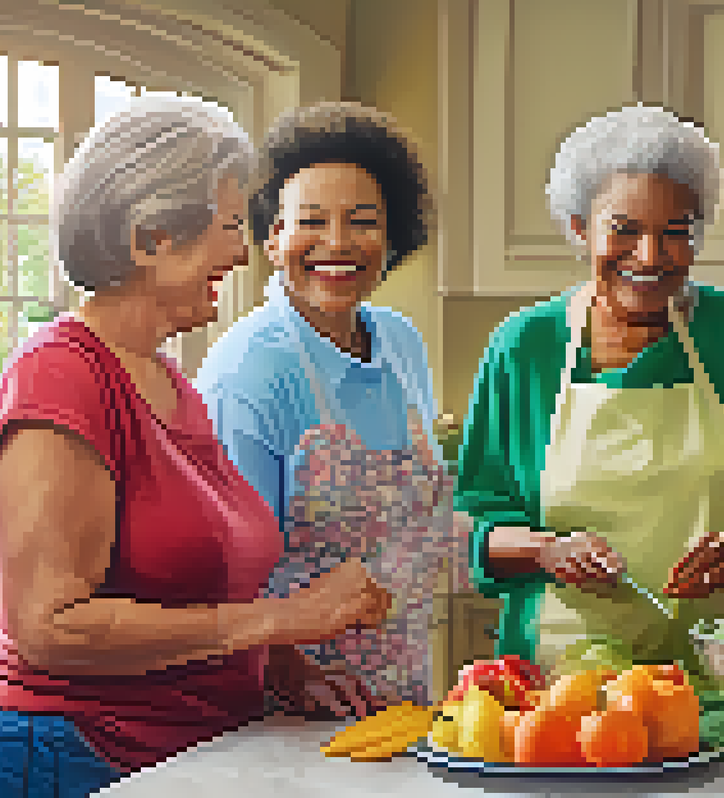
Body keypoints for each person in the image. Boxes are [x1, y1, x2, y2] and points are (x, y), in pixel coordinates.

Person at [0, 97, 390, 798]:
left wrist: (284, 666)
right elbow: (49, 627)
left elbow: (196, 581)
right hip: (76, 757)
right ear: (149, 240)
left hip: (183, 759)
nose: (239, 249)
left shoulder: (168, 381)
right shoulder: (59, 377)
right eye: (228, 226)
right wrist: (281, 618)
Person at [455, 104, 724, 684]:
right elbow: (474, 527)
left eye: (675, 233)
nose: (650, 257)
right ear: (580, 226)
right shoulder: (523, 347)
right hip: (565, 692)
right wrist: (544, 551)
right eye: (624, 230)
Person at [196, 103, 452, 708]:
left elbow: (417, 522)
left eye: (362, 222)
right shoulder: (248, 371)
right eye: (310, 221)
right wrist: (287, 670)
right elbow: (224, 576)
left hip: (402, 689)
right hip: (288, 699)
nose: (336, 244)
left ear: (393, 238)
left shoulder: (401, 342)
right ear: (271, 237)